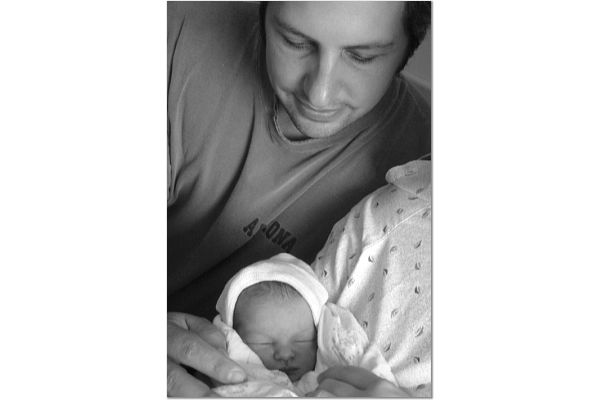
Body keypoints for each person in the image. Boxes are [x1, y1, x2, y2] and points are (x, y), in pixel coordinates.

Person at [167, 1, 431, 397]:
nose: (319, 93)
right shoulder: (177, 41)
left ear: (410, 46)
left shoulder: (424, 165)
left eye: (361, 57)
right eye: (295, 42)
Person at [210, 253, 403, 397]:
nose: (285, 354)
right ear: (236, 339)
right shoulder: (232, 379)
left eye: (301, 340)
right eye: (263, 343)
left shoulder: (333, 377)